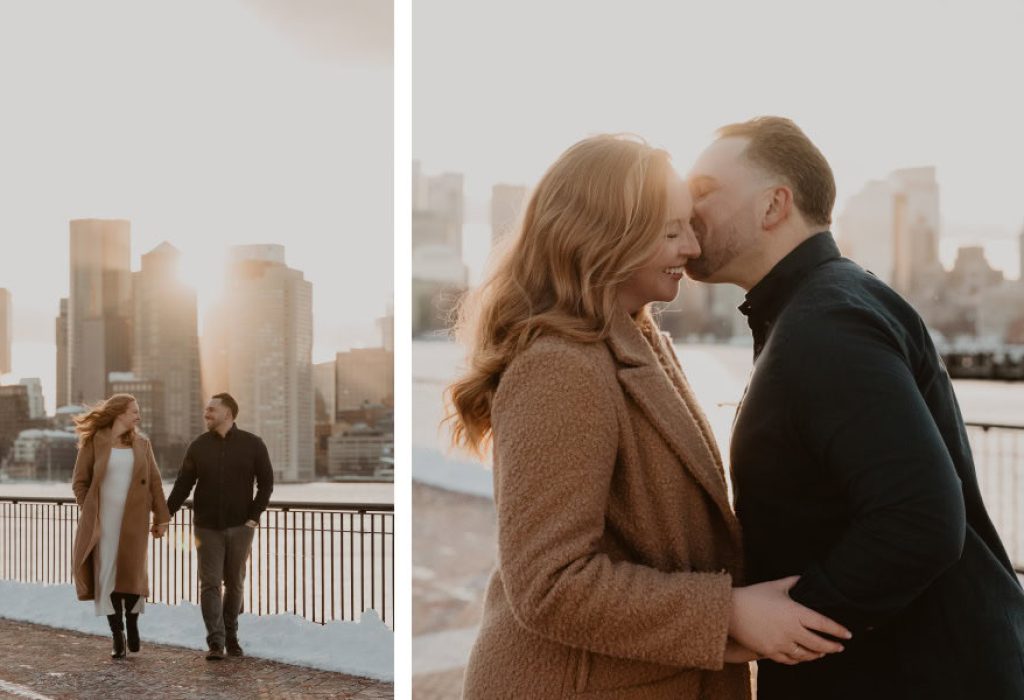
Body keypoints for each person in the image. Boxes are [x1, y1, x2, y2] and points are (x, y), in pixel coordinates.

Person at [446, 134, 850, 699]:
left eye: (689, 224)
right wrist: (728, 614)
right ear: (606, 236)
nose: (692, 245)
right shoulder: (561, 365)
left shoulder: (634, 337)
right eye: (671, 230)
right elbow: (549, 582)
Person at [685, 115, 1024, 699]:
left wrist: (783, 626)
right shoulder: (824, 305)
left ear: (773, 206)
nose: (687, 210)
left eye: (706, 192)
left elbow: (920, 518)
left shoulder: (826, 324)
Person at [166, 392, 273, 661]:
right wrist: (166, 515)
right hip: (206, 527)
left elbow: (266, 484)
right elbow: (183, 484)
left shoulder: (253, 444)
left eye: (212, 409)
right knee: (210, 584)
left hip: (241, 526)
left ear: (228, 413)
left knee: (235, 583)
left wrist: (254, 516)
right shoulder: (198, 446)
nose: (207, 413)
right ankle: (216, 641)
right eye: (206, 409)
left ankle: (231, 634)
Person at [71, 394, 170, 659]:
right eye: (133, 411)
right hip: (102, 523)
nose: (138, 415)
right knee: (108, 578)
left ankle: (133, 623)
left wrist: (162, 518)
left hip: (135, 521)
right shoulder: (94, 442)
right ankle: (117, 635)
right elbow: (79, 483)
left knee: (133, 575)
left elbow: (155, 485)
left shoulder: (142, 444)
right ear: (119, 413)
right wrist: (89, 507)